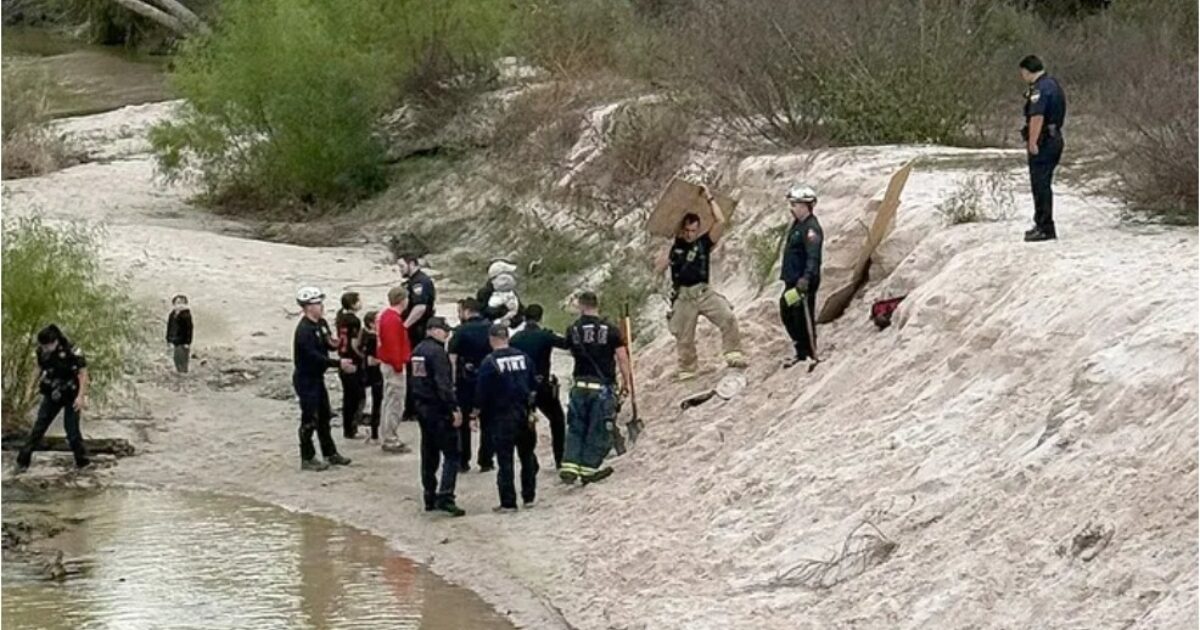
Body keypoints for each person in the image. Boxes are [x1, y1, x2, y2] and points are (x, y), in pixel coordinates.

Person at [654, 185, 747, 381]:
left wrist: (709, 198)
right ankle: (688, 370)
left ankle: (733, 354)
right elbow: (658, 269)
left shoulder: (703, 243)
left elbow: (720, 221)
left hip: (703, 292)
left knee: (727, 317)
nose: (690, 234)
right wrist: (663, 260)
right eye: (687, 230)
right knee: (684, 337)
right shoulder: (673, 248)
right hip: (684, 296)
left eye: (693, 230)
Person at [560, 291, 632, 485]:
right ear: (596, 305)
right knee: (597, 429)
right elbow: (623, 358)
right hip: (602, 388)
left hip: (579, 385)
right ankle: (589, 469)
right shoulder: (611, 329)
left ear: (581, 306)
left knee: (576, 427)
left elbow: (569, 350)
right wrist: (626, 382)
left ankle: (569, 465)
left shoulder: (573, 329)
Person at [473, 324, 539, 512]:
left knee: (505, 459)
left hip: (501, 415)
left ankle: (508, 502)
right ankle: (529, 496)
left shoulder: (489, 362)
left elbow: (481, 392)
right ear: (507, 337)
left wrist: (475, 413)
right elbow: (534, 384)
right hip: (525, 413)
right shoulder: (524, 357)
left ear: (492, 339)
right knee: (527, 456)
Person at [409, 317, 466, 517]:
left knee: (429, 452)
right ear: (432, 330)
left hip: (422, 407)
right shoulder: (437, 353)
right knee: (452, 453)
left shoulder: (417, 351)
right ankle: (446, 496)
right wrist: (454, 408)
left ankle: (429, 495)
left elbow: (415, 381)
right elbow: (444, 384)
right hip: (439, 408)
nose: (447, 334)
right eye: (444, 331)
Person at [15, 325, 91, 472]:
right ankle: (22, 462)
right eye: (42, 346)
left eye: (47, 345)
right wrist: (29, 388)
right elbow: (37, 368)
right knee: (39, 428)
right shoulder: (42, 352)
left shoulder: (72, 351)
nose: (44, 349)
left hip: (71, 393)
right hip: (52, 392)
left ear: (55, 341)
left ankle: (83, 463)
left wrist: (81, 397)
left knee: (72, 431)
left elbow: (83, 373)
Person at [292, 287, 353, 471]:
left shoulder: (321, 323)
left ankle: (330, 452)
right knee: (309, 418)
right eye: (317, 303)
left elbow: (329, 342)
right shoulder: (304, 331)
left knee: (324, 415)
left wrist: (339, 342)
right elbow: (314, 357)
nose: (321, 306)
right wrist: (338, 363)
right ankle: (307, 457)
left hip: (317, 378)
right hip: (306, 378)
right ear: (308, 307)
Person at [510, 303, 569, 468]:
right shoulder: (544, 336)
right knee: (557, 419)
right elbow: (566, 344)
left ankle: (529, 459)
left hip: (523, 386)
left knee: (527, 423)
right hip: (542, 385)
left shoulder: (515, 338)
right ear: (540, 318)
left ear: (524, 318)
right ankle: (560, 458)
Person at [1019, 54, 1066, 242]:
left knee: (1040, 184)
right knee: (1042, 183)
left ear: (1026, 71)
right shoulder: (1052, 83)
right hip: (1054, 138)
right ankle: (1041, 223)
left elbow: (1037, 117)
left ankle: (1045, 227)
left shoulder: (1040, 89)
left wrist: (1032, 142)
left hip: (1045, 141)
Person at [778, 184, 823, 369]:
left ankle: (810, 353)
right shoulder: (798, 224)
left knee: (802, 315)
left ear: (805, 205)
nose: (792, 208)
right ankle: (800, 349)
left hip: (802, 282)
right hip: (792, 280)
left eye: (795, 204)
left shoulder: (811, 229)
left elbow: (813, 256)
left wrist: (806, 278)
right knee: (788, 311)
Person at [448, 298, 494, 472]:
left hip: (465, 380)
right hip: (488, 379)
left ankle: (463, 460)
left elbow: (451, 359)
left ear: (466, 311)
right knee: (488, 421)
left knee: (464, 421)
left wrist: (451, 382)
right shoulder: (490, 328)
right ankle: (486, 460)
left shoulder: (460, 331)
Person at [400, 255, 436, 422]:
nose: (400, 270)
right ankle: (411, 406)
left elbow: (420, 307)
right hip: (415, 331)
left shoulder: (420, 282)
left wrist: (404, 326)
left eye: (402, 266)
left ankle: (415, 407)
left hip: (418, 331)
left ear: (412, 264)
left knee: (417, 368)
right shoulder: (412, 282)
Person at [376, 287, 412, 454]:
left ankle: (386, 434)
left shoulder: (386, 316)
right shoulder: (393, 319)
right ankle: (390, 437)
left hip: (389, 363)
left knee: (389, 400)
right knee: (395, 402)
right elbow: (393, 344)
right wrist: (398, 364)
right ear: (402, 300)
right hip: (394, 364)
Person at [335, 292, 366, 439]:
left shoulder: (340, 316)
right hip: (352, 360)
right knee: (357, 397)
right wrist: (362, 356)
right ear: (353, 304)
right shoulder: (354, 321)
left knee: (348, 396)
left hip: (342, 357)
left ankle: (348, 428)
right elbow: (354, 344)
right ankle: (352, 429)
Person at [361, 311, 384, 444]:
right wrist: (385, 360)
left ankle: (373, 433)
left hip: (370, 375)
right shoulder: (372, 339)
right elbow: (371, 360)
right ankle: (374, 434)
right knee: (376, 405)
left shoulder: (366, 336)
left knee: (375, 404)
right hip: (374, 375)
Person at [165, 294, 194, 374]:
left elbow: (189, 329)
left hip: (183, 342)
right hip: (173, 340)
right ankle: (179, 371)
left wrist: (187, 342)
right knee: (176, 358)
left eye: (182, 303)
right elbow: (169, 327)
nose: (179, 305)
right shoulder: (172, 315)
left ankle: (183, 371)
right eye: (177, 303)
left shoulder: (186, 315)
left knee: (183, 358)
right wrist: (168, 339)